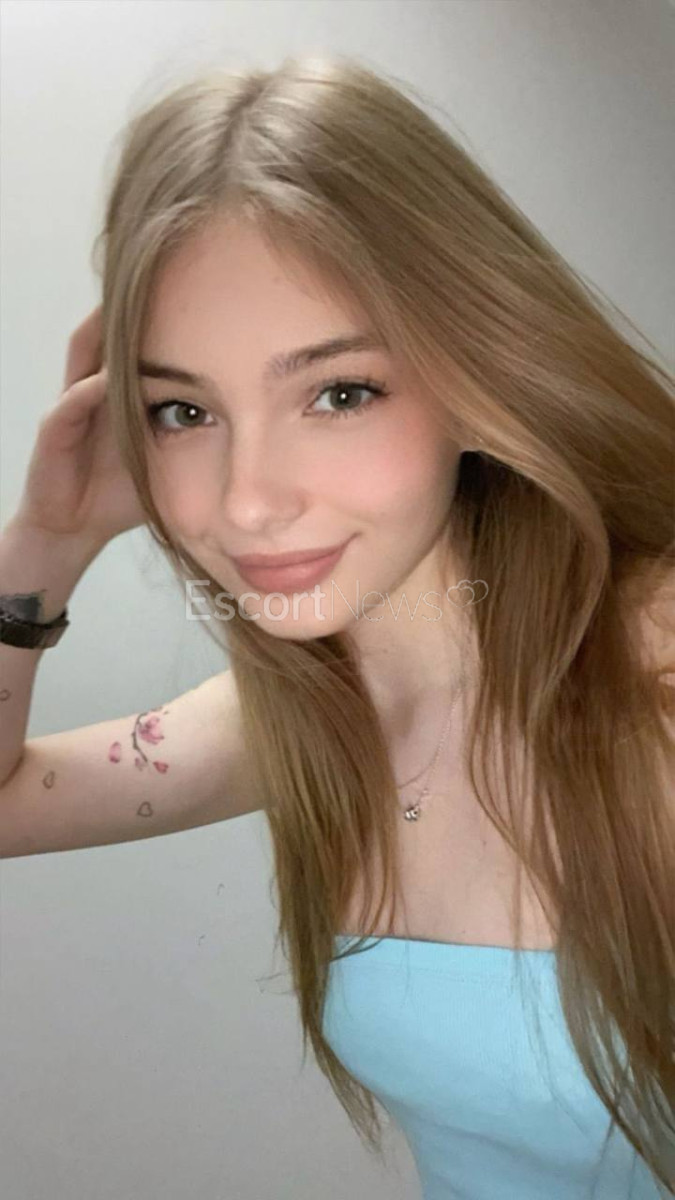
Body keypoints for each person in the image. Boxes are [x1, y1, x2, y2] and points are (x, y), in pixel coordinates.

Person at [0, 54, 673, 1199]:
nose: (249, 500)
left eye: (338, 393)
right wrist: (44, 545)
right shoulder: (306, 717)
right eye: (184, 410)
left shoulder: (649, 671)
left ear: (474, 364)